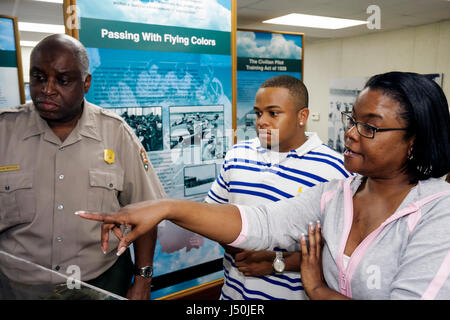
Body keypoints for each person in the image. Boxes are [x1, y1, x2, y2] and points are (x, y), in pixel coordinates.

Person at [77, 71, 450, 299]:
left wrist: (310, 285)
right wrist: (167, 207)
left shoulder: (437, 211)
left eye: (369, 126)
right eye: (351, 119)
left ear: (415, 138)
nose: (350, 134)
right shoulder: (339, 194)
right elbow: (260, 222)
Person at [0, 34, 166, 300]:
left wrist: (143, 279)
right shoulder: (4, 132)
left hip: (102, 283)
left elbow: (146, 211)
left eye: (62, 80)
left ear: (86, 83)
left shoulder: (116, 134)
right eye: (39, 77)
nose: (47, 89)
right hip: (17, 288)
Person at [205, 75, 351, 300]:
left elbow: (342, 255)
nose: (261, 121)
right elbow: (213, 215)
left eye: (273, 113)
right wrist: (238, 247)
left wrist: (276, 262)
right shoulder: (237, 155)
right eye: (257, 113)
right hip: (233, 294)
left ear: (302, 116)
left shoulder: (335, 170)